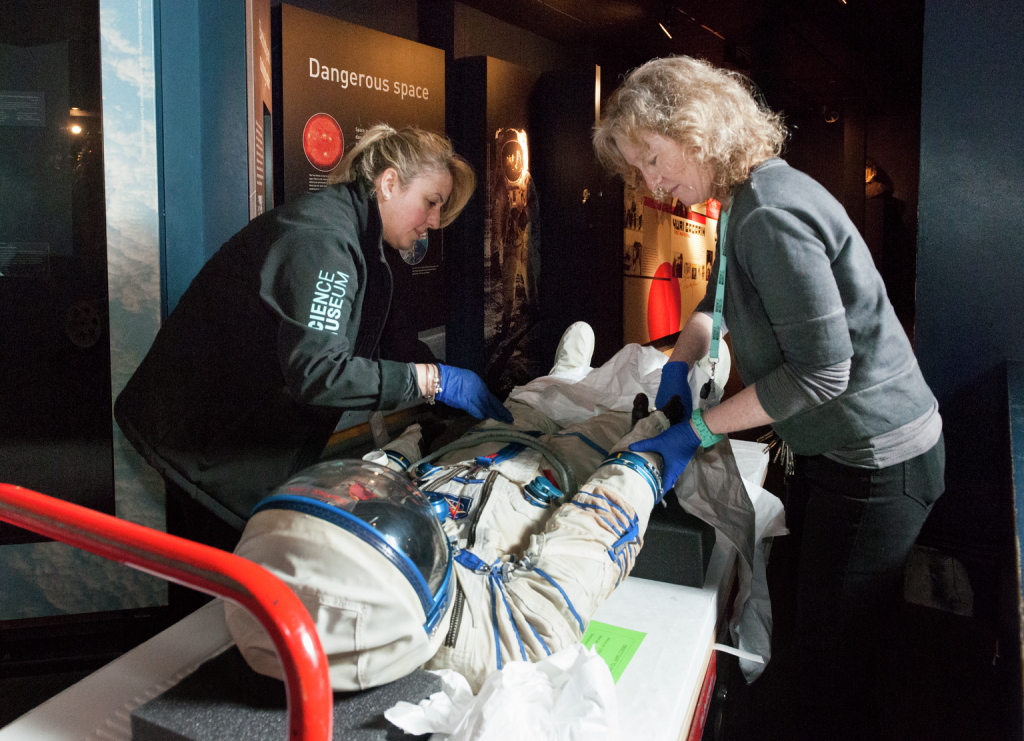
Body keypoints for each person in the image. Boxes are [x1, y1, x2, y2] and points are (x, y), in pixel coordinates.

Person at [593, 56, 945, 740]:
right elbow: (713, 303)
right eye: (639, 171)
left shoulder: (770, 213)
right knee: (819, 644)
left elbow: (820, 374)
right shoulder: (747, 200)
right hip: (840, 452)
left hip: (877, 462)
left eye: (654, 159)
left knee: (830, 666)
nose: (652, 183)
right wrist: (678, 361)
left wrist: (694, 430)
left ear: (696, 129)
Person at [224, 323, 715, 692]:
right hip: (562, 473)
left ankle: (563, 375)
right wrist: (644, 461)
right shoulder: (493, 636)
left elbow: (367, 482)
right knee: (627, 409)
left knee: (534, 402)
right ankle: (684, 378)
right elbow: (588, 540)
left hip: (474, 455)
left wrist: (416, 441)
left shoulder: (298, 570)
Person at [114, 125, 512, 555]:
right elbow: (320, 372)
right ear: (390, 182)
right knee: (216, 592)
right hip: (203, 445)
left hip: (233, 440)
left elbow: (383, 340)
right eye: (431, 203)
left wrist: (451, 385)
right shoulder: (324, 239)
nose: (434, 222)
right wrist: (434, 380)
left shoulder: (361, 237)